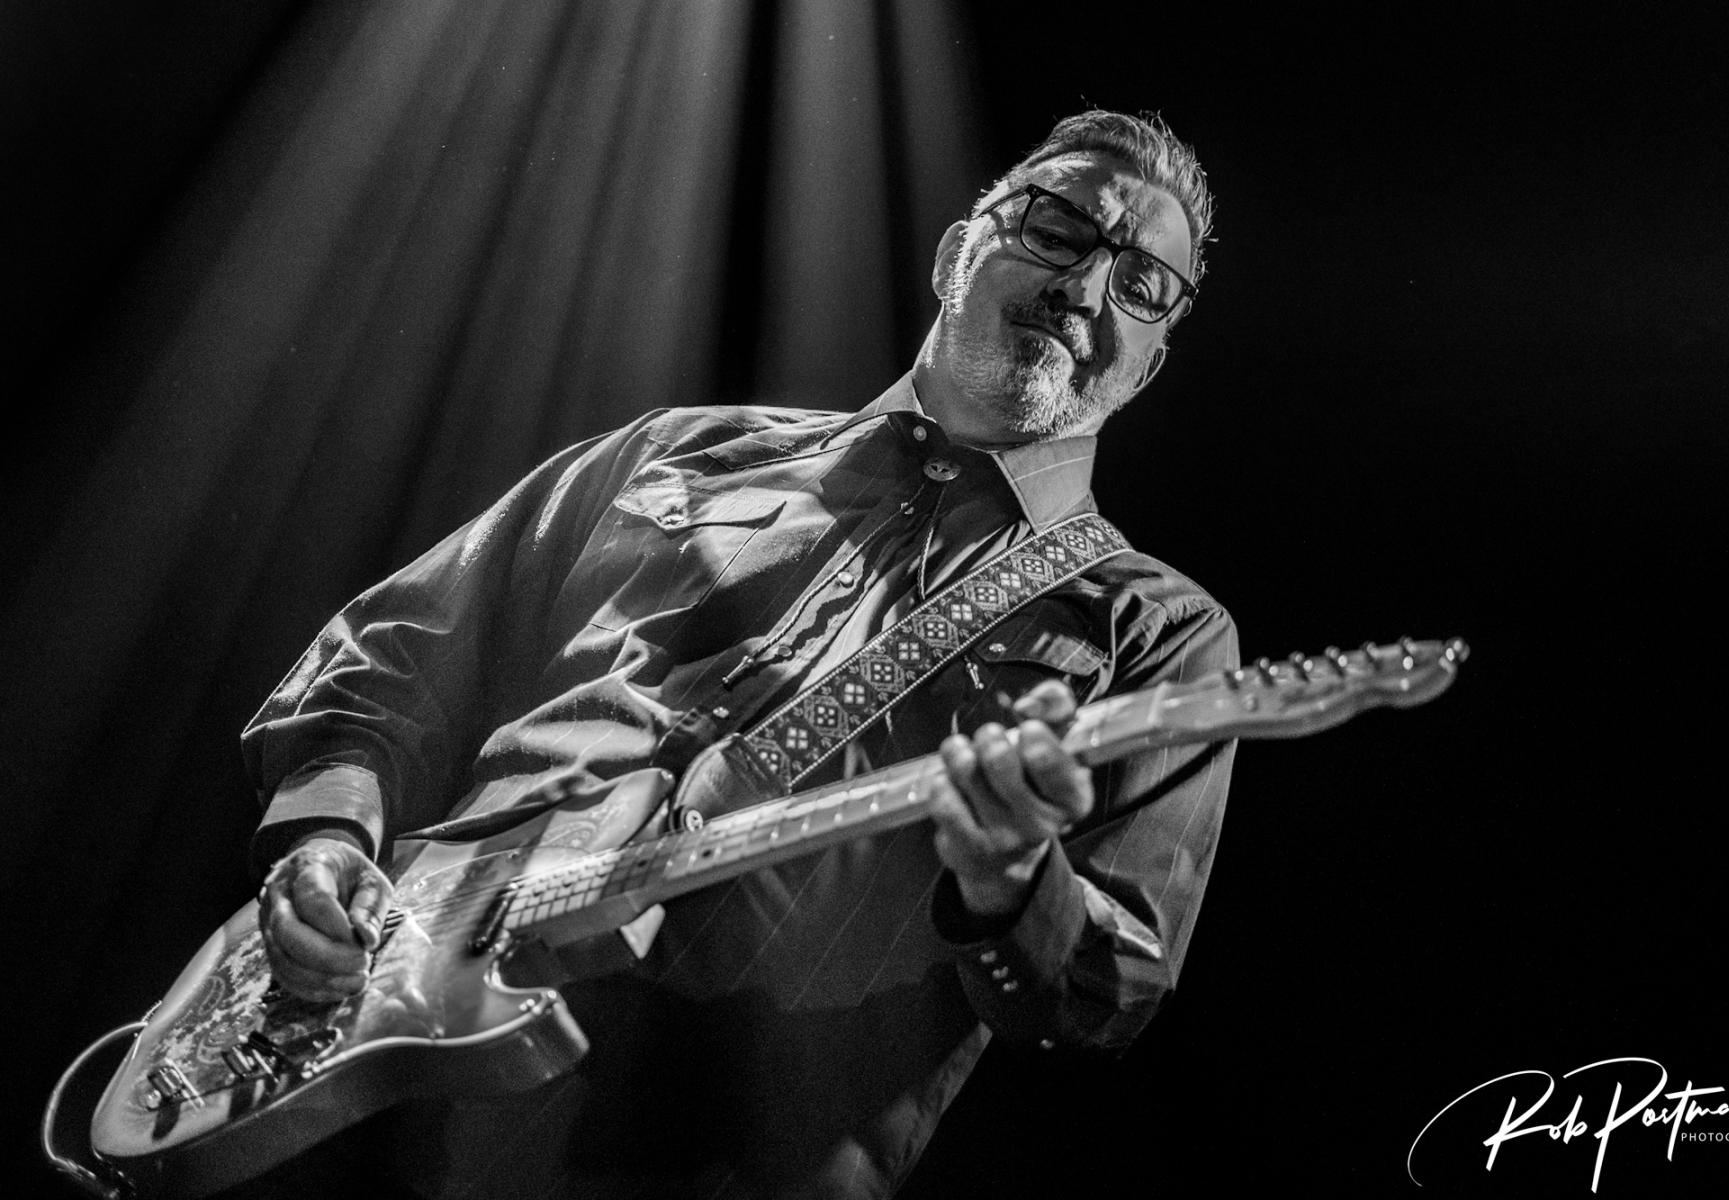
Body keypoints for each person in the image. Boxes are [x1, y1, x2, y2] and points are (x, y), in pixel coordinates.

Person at [246, 109, 1237, 1199]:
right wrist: (326, 838)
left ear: (1149, 364)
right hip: (366, 1086)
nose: (1086, 288)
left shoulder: (1158, 627)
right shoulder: (683, 448)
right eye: (1057, 229)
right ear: (958, 252)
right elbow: (393, 655)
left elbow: (1109, 991)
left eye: (1142, 284)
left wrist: (1011, 879)